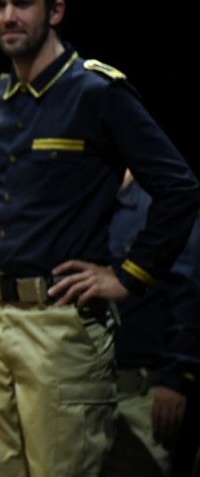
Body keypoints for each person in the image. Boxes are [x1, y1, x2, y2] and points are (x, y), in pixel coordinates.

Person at [0, 0, 200, 476]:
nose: (8, 16)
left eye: (22, 3)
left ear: (55, 11)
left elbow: (179, 188)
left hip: (59, 326)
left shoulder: (96, 92)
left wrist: (128, 276)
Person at [102, 171, 200, 477]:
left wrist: (176, 380)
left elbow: (189, 292)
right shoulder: (87, 200)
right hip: (85, 392)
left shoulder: (162, 202)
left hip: (141, 393)